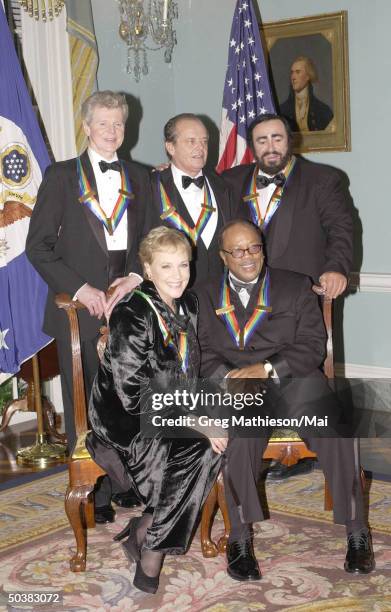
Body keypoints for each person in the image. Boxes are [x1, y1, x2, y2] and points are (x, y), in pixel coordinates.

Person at [195, 219, 375, 581]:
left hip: (291, 378)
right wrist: (230, 377)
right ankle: (240, 539)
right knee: (240, 437)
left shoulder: (294, 285)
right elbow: (201, 350)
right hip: (238, 385)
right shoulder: (201, 294)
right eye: (238, 250)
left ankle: (357, 531)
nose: (248, 257)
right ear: (223, 256)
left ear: (263, 247)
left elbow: (311, 345)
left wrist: (265, 368)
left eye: (255, 248)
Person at [26, 91, 150, 520]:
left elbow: (151, 240)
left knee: (129, 397)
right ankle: (93, 494)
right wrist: (81, 289)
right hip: (77, 308)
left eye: (118, 124)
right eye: (103, 124)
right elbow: (37, 247)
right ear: (86, 126)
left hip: (129, 301)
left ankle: (128, 484)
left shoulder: (141, 175)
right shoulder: (61, 176)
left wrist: (134, 277)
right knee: (86, 402)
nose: (112, 132)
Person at [87, 227, 222, 594]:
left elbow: (193, 367)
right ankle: (151, 552)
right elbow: (131, 395)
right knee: (194, 451)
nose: (178, 275)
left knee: (214, 446)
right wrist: (195, 421)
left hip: (172, 407)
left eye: (184, 264)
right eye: (166, 267)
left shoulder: (188, 303)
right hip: (125, 417)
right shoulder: (132, 313)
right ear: (148, 269)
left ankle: (147, 528)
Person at [222, 113, 353, 478]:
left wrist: (337, 267)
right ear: (252, 146)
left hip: (303, 299)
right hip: (244, 304)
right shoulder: (230, 181)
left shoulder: (323, 180)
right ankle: (252, 447)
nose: (270, 146)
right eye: (262, 140)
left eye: (277, 138)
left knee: (296, 373)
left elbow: (341, 227)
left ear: (289, 140)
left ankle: (307, 450)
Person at [145, 113, 234, 287]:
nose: (200, 148)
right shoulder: (150, 187)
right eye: (191, 141)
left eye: (204, 141)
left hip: (220, 297)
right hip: (173, 297)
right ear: (171, 147)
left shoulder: (224, 186)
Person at [279, 56, 333, 132]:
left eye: (298, 72)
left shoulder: (323, 111)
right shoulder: (281, 111)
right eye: (292, 72)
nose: (293, 77)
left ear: (308, 76)